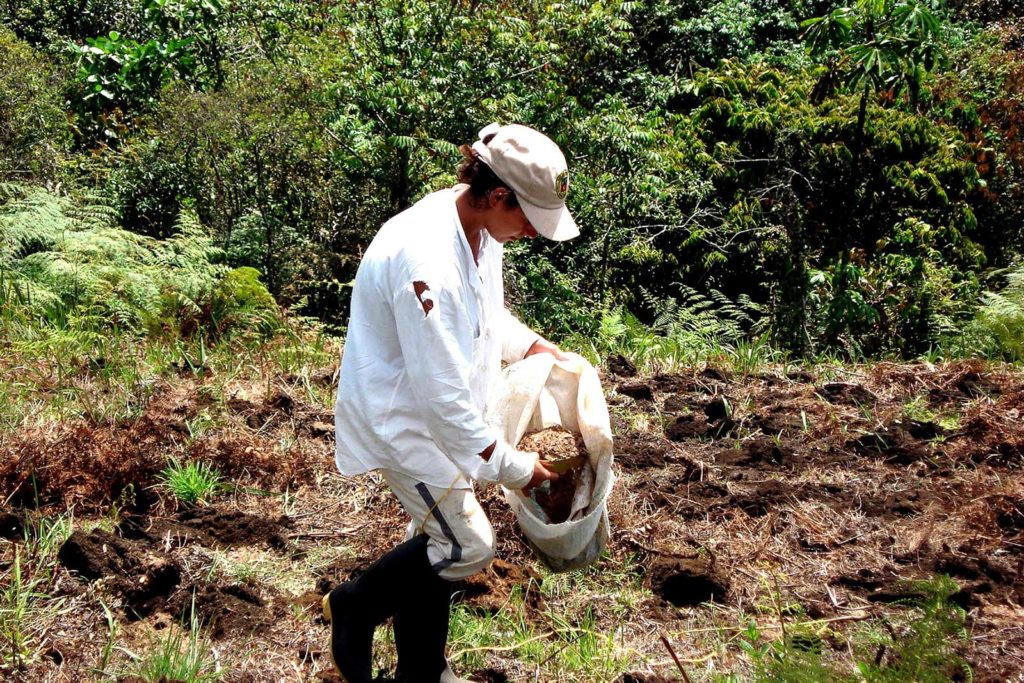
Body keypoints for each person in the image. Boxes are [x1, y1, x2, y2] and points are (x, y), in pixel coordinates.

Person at [325, 123, 580, 683]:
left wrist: (531, 345)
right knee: (467, 544)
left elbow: (486, 317)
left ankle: (420, 673)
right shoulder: (427, 260)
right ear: (498, 195)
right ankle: (358, 603)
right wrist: (516, 469)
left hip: (442, 419)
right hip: (405, 424)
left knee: (438, 540)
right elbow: (440, 399)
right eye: (530, 219)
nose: (534, 235)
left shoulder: (479, 230)